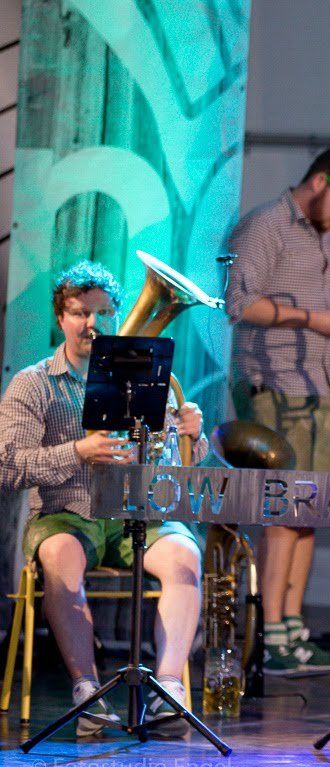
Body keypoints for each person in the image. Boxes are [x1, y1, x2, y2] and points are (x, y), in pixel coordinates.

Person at [0, 262, 208, 737]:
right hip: (67, 513)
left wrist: (192, 436)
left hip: (139, 512)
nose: (92, 323)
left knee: (185, 556)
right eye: (80, 313)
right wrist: (78, 451)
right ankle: (88, 691)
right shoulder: (33, 383)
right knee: (60, 558)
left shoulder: (151, 379)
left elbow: (178, 467)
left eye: (104, 313)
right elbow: (7, 466)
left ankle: (168, 689)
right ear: (61, 318)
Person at [224, 147, 330, 674]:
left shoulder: (325, 238)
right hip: (275, 384)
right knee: (282, 510)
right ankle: (267, 632)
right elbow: (238, 302)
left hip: (320, 385)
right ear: (320, 181)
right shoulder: (266, 226)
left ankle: (290, 627)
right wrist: (313, 319)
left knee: (311, 511)